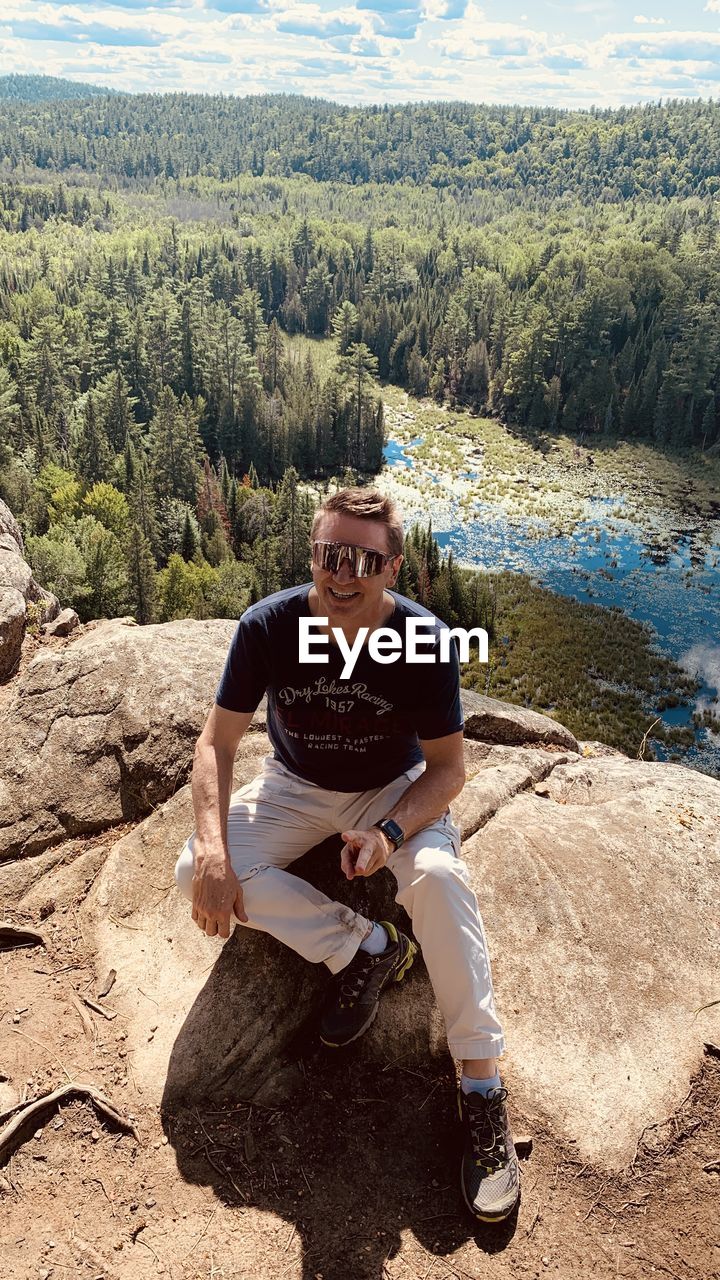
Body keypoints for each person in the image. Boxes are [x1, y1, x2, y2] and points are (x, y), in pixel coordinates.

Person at [174, 487, 520, 1223]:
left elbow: (451, 770)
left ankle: (483, 1092)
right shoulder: (268, 626)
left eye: (365, 558)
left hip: (390, 791)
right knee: (191, 871)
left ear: (392, 567)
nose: (344, 572)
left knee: (438, 878)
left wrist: (391, 832)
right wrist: (212, 846)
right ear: (312, 555)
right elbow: (217, 743)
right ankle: (366, 947)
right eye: (331, 553)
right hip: (294, 788)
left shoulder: (423, 639)